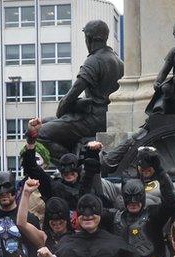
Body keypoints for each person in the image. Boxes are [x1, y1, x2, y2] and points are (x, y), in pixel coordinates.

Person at [37, 19, 124, 158]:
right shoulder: (118, 61)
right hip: (106, 117)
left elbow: (73, 93)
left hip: (94, 119)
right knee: (45, 122)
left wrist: (62, 110)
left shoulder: (94, 60)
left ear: (88, 38)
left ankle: (72, 168)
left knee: (40, 133)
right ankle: (76, 156)